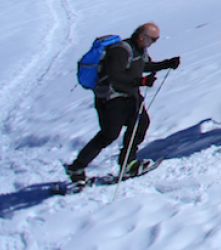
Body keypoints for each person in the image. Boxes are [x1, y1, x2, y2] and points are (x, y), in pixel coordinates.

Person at [65, 23, 180, 184]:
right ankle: (76, 168)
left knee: (140, 126)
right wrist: (141, 81)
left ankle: (128, 163)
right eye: (153, 39)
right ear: (142, 37)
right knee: (108, 135)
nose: (155, 42)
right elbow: (115, 77)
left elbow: (144, 65)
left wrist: (166, 64)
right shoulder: (120, 50)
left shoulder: (139, 49)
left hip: (131, 96)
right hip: (111, 99)